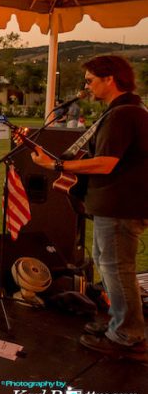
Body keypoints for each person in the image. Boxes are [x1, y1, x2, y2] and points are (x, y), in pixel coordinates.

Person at [31, 55, 148, 357]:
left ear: (110, 79)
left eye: (90, 80)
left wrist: (58, 165)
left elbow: (107, 163)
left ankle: (127, 335)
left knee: (117, 269)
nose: (87, 86)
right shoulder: (124, 111)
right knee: (107, 265)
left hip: (119, 207)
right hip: (115, 205)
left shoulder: (123, 114)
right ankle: (118, 325)